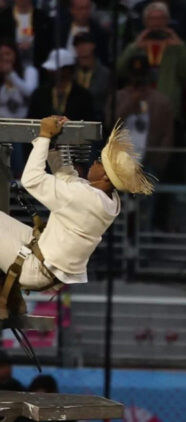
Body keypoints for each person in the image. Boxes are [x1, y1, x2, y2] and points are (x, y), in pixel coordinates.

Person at [0, 115, 153, 317]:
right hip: (42, 259)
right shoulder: (108, 200)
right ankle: (9, 297)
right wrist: (56, 145)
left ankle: (7, 297)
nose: (93, 163)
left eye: (99, 161)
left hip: (35, 267)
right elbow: (68, 178)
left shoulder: (86, 199)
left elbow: (31, 179)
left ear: (106, 177)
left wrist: (45, 136)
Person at [116, 1, 186, 127]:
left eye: (161, 18)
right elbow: (120, 70)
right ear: (145, 21)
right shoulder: (137, 46)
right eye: (152, 18)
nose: (157, 23)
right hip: (137, 108)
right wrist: (134, 47)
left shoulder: (175, 46)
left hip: (166, 108)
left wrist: (181, 46)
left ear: (167, 21)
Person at [113, 51, 174, 182]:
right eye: (134, 75)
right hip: (120, 161)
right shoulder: (118, 98)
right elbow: (110, 125)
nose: (138, 80)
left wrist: (160, 161)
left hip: (150, 162)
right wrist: (129, 104)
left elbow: (167, 135)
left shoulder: (162, 102)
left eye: (141, 75)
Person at [27, 49, 95, 122]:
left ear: (67, 69)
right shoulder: (39, 94)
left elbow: (89, 124)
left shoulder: (83, 96)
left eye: (56, 69)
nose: (51, 72)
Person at [0, 0, 52, 69]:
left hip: (37, 65)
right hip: (11, 67)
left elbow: (47, 43)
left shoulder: (43, 18)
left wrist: (33, 45)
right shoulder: (4, 18)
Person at [73, 31, 111, 118]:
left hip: (97, 118)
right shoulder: (71, 72)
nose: (81, 47)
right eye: (77, 44)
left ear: (93, 45)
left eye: (85, 43)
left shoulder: (105, 74)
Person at [0, 38, 38, 122]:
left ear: (15, 54)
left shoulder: (29, 71)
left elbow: (30, 93)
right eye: (1, 56)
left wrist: (11, 74)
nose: (5, 58)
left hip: (24, 122)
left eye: (8, 54)